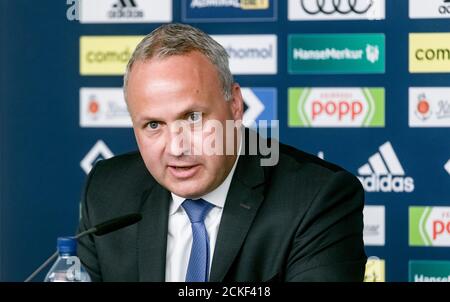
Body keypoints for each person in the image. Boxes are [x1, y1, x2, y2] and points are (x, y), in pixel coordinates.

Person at [77, 23, 367, 282]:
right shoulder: (107, 191)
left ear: (235, 105)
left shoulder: (317, 198)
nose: (177, 148)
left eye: (193, 118)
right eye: (153, 125)